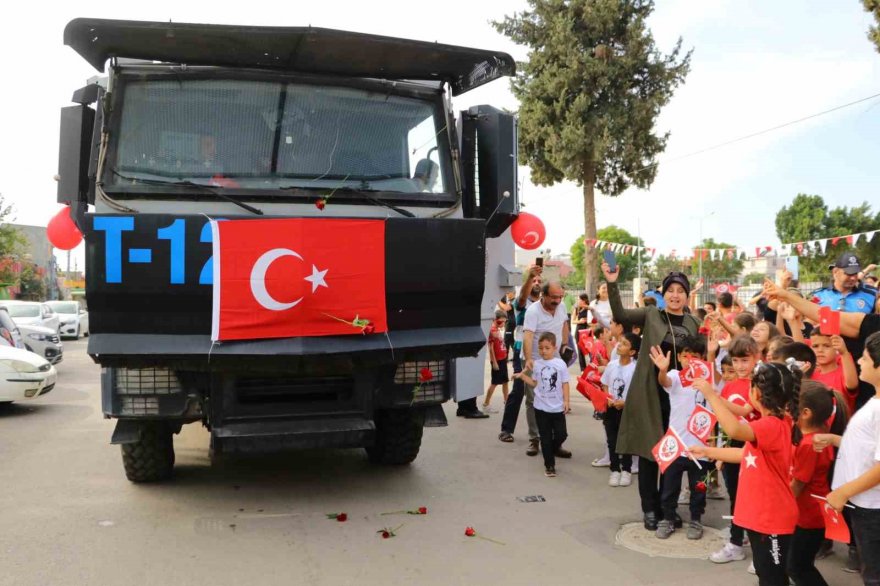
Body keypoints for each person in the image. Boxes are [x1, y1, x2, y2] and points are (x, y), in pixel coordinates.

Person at [602, 264, 702, 531]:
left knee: (673, 453)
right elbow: (621, 314)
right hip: (650, 392)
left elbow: (703, 355)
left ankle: (666, 508)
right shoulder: (651, 314)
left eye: (681, 291)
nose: (675, 295)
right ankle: (649, 508)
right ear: (663, 293)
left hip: (680, 396)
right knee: (650, 452)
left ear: (688, 295)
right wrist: (612, 282)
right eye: (670, 290)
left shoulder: (694, 323)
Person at [690, 362, 801, 585]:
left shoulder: (771, 425)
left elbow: (734, 430)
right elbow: (746, 455)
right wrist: (708, 450)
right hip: (761, 516)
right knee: (765, 573)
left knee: (773, 578)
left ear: (757, 392)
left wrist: (711, 395)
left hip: (771, 518)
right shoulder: (771, 424)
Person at [822, 332, 880, 584]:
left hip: (872, 508)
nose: (859, 361)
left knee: (874, 575)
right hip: (864, 504)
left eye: (865, 359)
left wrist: (843, 492)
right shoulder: (874, 401)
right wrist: (836, 441)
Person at [650, 335, 711, 540]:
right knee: (669, 487)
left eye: (695, 356)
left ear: (703, 358)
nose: (690, 360)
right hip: (675, 445)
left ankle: (696, 520)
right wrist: (662, 369)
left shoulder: (709, 380)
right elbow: (664, 381)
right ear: (679, 357)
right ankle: (667, 518)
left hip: (702, 449)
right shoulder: (676, 375)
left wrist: (712, 354)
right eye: (686, 356)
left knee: (699, 488)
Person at [787, 381, 848, 586]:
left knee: (797, 567)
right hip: (811, 513)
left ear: (805, 413)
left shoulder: (809, 444)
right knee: (800, 563)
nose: (787, 408)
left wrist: (776, 504)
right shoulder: (821, 430)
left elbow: (798, 484)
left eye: (790, 405)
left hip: (808, 516)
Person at [709, 335, 761, 564]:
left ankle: (761, 551)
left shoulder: (760, 384)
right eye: (736, 361)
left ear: (756, 357)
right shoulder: (729, 386)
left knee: (755, 498)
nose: (741, 366)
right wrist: (720, 450)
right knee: (736, 496)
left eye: (745, 360)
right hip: (733, 447)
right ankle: (736, 542)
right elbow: (725, 421)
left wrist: (713, 396)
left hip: (756, 446)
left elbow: (744, 410)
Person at [520, 281, 572, 458]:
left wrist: (564, 344)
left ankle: (554, 441)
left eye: (560, 297)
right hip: (534, 361)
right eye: (554, 297)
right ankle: (535, 439)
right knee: (533, 400)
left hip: (555, 361)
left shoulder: (562, 306)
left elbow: (565, 325)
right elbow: (528, 336)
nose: (557, 300)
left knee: (554, 398)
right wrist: (528, 359)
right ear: (544, 295)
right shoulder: (533, 311)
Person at [514, 332, 570, 477]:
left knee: (561, 434)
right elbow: (534, 383)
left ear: (554, 348)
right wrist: (522, 376)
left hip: (557, 408)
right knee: (544, 437)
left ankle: (551, 447)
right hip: (541, 408)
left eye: (547, 348)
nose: (543, 351)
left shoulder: (560, 364)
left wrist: (566, 401)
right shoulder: (537, 364)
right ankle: (549, 466)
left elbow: (565, 383)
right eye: (541, 348)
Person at [499, 266, 542, 440]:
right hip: (520, 351)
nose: (536, 283)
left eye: (539, 281)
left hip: (540, 354)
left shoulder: (544, 305)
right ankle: (506, 430)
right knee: (518, 390)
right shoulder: (521, 303)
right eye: (534, 281)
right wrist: (529, 278)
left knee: (540, 391)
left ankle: (541, 433)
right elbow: (523, 296)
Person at [602, 332, 640, 487]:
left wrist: (625, 403)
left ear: (632, 352)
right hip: (611, 409)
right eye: (620, 342)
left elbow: (637, 391)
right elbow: (605, 383)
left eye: (624, 344)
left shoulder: (635, 369)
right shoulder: (611, 365)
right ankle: (614, 469)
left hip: (627, 410)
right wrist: (607, 398)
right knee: (612, 440)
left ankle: (627, 470)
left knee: (626, 441)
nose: (619, 345)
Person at [810, 328, 859, 413]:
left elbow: (852, 384)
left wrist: (844, 352)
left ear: (836, 348)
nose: (820, 350)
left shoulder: (844, 373)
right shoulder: (810, 375)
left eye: (826, 345)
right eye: (815, 346)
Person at [483, 310, 510, 413]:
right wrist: (494, 362)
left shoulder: (497, 329)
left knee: (505, 382)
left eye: (504, 322)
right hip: (497, 360)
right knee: (494, 383)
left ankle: (506, 402)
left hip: (502, 359)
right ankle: (486, 404)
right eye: (500, 322)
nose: (502, 324)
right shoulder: (493, 330)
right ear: (494, 320)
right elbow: (491, 347)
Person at [574, 293, 592, 369]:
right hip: (579, 331)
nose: (578, 301)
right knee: (580, 350)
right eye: (578, 299)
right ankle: (583, 369)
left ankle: (593, 365)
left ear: (584, 300)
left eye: (580, 299)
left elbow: (593, 319)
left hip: (587, 331)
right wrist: (580, 321)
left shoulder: (589, 308)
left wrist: (587, 321)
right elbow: (573, 320)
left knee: (590, 350)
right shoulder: (577, 308)